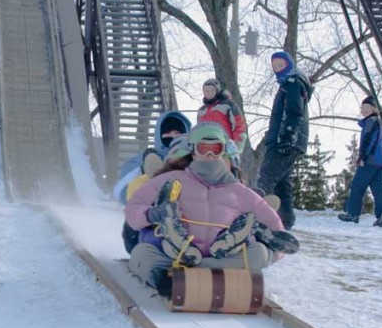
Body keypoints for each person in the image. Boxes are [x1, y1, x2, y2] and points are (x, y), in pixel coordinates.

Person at [125, 122, 298, 298]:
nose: (209, 155)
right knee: (142, 253)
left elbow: (278, 232)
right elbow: (133, 209)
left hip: (222, 259)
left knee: (259, 254)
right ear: (193, 151)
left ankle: (236, 238)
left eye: (215, 149)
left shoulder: (240, 192)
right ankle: (170, 264)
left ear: (223, 151)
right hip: (173, 257)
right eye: (203, 148)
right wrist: (152, 214)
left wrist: (273, 251)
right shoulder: (171, 180)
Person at [115, 111, 192, 254]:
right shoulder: (142, 161)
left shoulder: (197, 160)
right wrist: (146, 171)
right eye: (167, 133)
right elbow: (120, 192)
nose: (172, 136)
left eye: (177, 133)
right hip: (151, 221)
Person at [255, 51, 313, 230]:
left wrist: (287, 136)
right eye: (275, 66)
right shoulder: (288, 84)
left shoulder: (293, 83)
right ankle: (286, 220)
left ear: (289, 65)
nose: (278, 69)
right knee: (282, 182)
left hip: (285, 140)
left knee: (266, 177)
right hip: (285, 139)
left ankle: (255, 215)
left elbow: (294, 112)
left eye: (281, 65)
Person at [338, 96, 382, 226]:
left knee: (357, 186)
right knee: (378, 190)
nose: (364, 110)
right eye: (363, 108)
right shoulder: (379, 122)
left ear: (374, 109)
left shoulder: (371, 121)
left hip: (370, 160)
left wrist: (362, 157)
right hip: (381, 161)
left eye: (367, 107)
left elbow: (369, 140)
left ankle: (352, 214)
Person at [196, 78, 247, 170]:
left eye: (212, 90)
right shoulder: (202, 110)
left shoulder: (227, 105)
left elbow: (239, 125)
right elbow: (198, 130)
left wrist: (236, 146)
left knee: (227, 173)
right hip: (207, 149)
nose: (209, 93)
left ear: (217, 90)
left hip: (226, 147)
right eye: (206, 91)